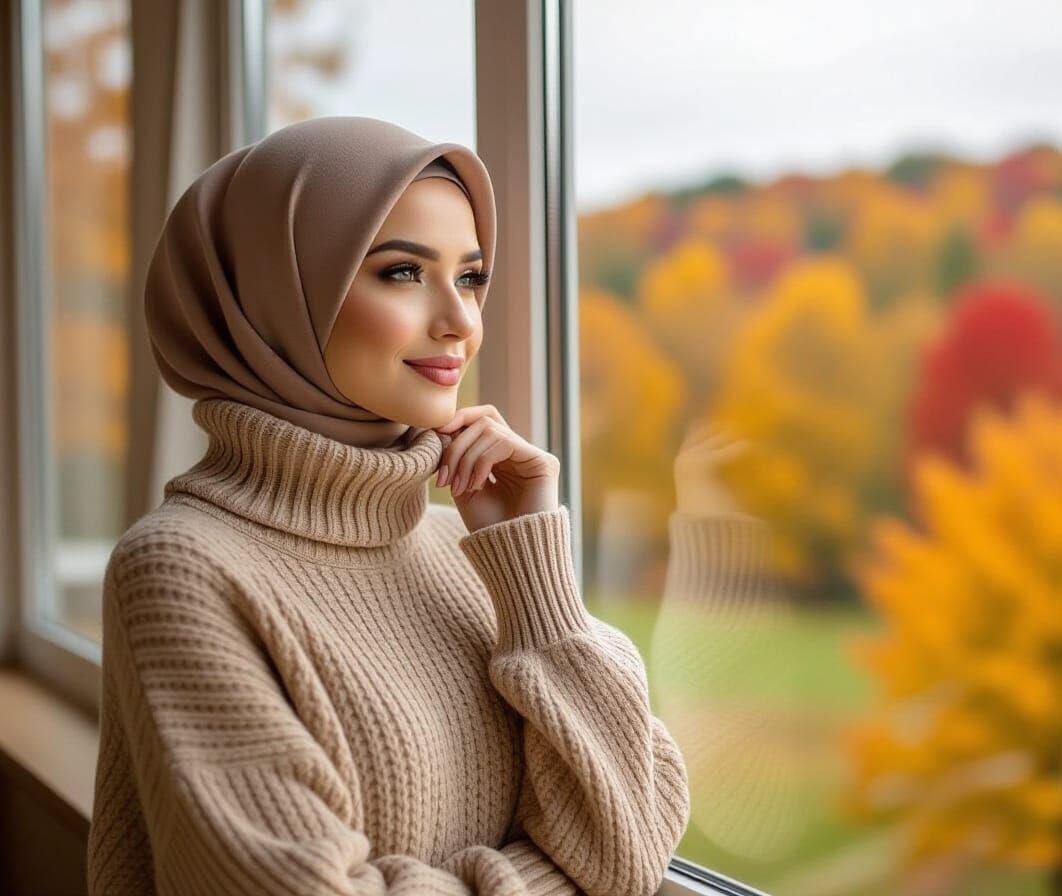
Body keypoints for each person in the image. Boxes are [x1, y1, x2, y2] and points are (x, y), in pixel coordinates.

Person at [85, 116, 692, 896]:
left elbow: (641, 815)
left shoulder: (474, 548)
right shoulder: (181, 569)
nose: (461, 322)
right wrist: (562, 875)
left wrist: (534, 570)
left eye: (471, 277)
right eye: (403, 273)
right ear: (274, 294)